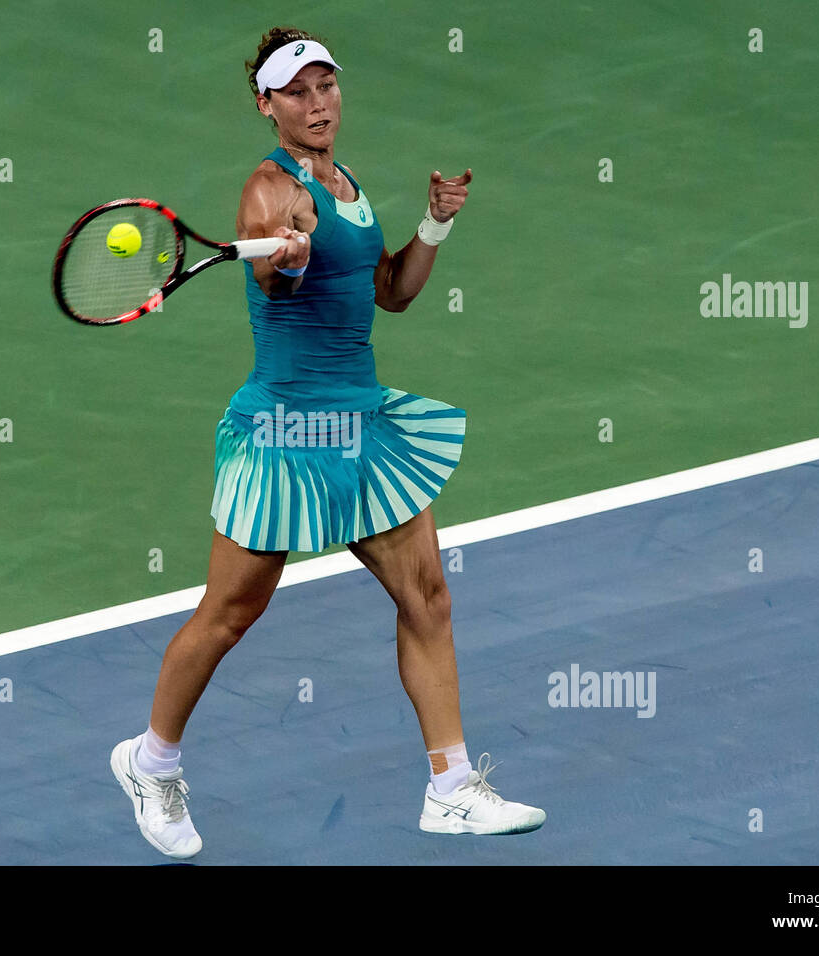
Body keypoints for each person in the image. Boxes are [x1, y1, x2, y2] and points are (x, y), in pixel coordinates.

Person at [110, 26, 545, 859]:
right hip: (284, 431)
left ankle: (450, 787)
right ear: (267, 105)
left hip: (360, 428)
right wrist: (292, 256)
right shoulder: (268, 191)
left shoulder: (346, 182)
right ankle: (150, 761)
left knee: (429, 600)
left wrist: (434, 225)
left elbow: (389, 292)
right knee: (231, 612)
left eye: (326, 87)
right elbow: (277, 273)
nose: (318, 104)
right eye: (298, 92)